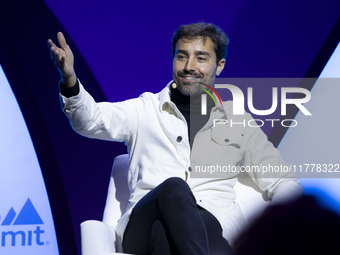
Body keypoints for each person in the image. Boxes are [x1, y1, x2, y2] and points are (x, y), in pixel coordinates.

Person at [48, 22, 304, 255]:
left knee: (164, 233)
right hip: (142, 222)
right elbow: (89, 120)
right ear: (173, 60)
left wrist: (275, 228)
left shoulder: (238, 121)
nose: (189, 66)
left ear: (220, 65)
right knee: (173, 188)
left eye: (201, 58)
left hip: (212, 223)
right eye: (182, 56)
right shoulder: (144, 109)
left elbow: (283, 180)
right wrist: (69, 78)